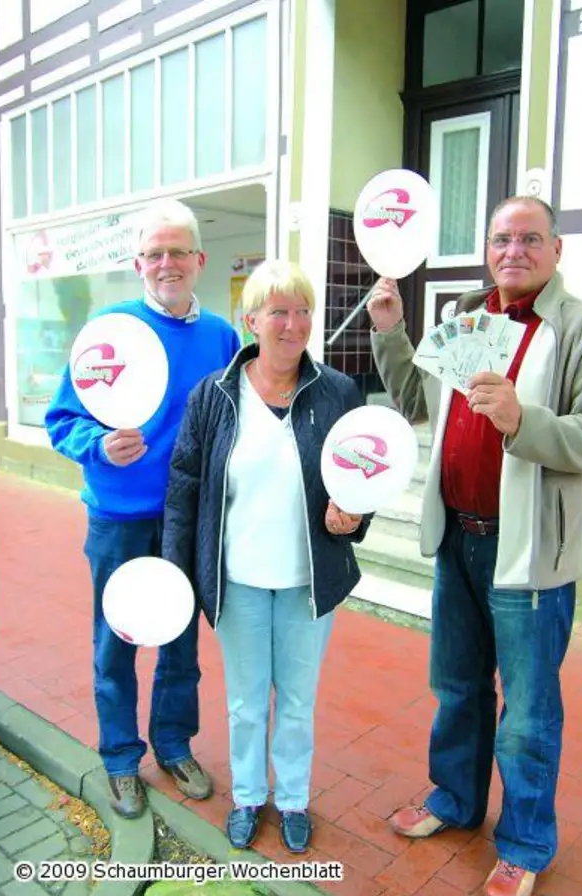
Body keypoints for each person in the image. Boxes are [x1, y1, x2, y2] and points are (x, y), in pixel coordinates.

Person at [364, 196, 582, 896]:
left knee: (527, 711)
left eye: (530, 238)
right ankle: (456, 801)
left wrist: (524, 419)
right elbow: (415, 399)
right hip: (458, 537)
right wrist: (391, 333)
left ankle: (524, 842)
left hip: (529, 554)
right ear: (487, 248)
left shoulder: (581, 327)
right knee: (457, 688)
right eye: (501, 239)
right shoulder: (467, 317)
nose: (513, 250)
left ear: (557, 249)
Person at [162, 259, 371, 855]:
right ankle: (250, 795)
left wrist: (352, 517)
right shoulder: (215, 395)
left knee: (298, 702)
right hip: (238, 582)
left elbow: (364, 476)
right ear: (250, 319)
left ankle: (294, 799)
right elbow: (184, 487)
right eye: (279, 311)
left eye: (303, 310)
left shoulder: (337, 392)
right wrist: (180, 574)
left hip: (311, 580)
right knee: (248, 700)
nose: (293, 323)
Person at [45, 198, 241, 819]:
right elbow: (62, 419)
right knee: (118, 641)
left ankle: (175, 745)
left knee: (180, 639)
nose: (167, 263)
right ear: (138, 263)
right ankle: (121, 759)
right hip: (120, 516)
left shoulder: (222, 337)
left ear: (199, 259)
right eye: (154, 253)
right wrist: (96, 445)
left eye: (178, 251)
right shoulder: (110, 330)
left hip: (187, 518)